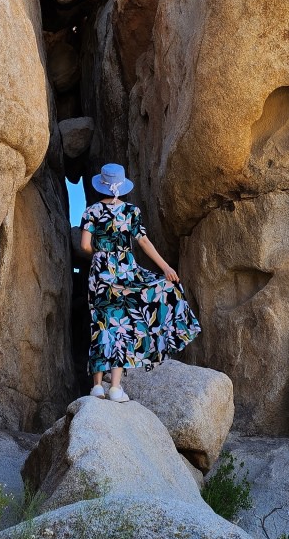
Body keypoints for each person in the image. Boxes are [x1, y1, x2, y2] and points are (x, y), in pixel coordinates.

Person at [79, 162, 201, 402]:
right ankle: (115, 387)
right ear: (121, 187)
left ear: (101, 186)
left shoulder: (91, 211)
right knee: (122, 324)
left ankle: (96, 387)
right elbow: (144, 242)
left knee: (101, 324)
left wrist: (101, 256)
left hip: (100, 272)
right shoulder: (131, 211)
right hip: (126, 270)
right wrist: (165, 268)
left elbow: (84, 245)